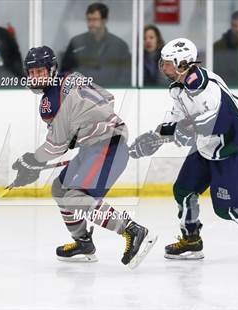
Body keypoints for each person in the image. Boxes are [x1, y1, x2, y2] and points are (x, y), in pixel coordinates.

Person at [129, 38, 238, 260]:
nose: (162, 66)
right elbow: (178, 120)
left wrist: (179, 131)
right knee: (183, 190)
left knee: (228, 209)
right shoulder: (178, 88)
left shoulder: (207, 87)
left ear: (182, 63)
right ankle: (191, 240)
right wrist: (155, 137)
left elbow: (210, 124)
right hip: (206, 148)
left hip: (229, 151)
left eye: (166, 62)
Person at [12, 46, 156, 269]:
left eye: (40, 72)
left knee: (74, 197)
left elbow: (56, 145)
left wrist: (31, 161)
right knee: (60, 189)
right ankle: (83, 243)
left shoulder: (50, 102)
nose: (35, 77)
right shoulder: (71, 78)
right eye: (31, 73)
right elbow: (106, 99)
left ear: (51, 70)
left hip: (108, 146)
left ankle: (132, 230)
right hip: (97, 145)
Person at [61, 2, 131, 87]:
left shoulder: (119, 46)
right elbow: (64, 72)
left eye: (94, 19)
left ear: (104, 20)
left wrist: (115, 92)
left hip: (112, 94)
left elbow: (126, 76)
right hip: (81, 95)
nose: (90, 24)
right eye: (88, 19)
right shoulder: (76, 43)